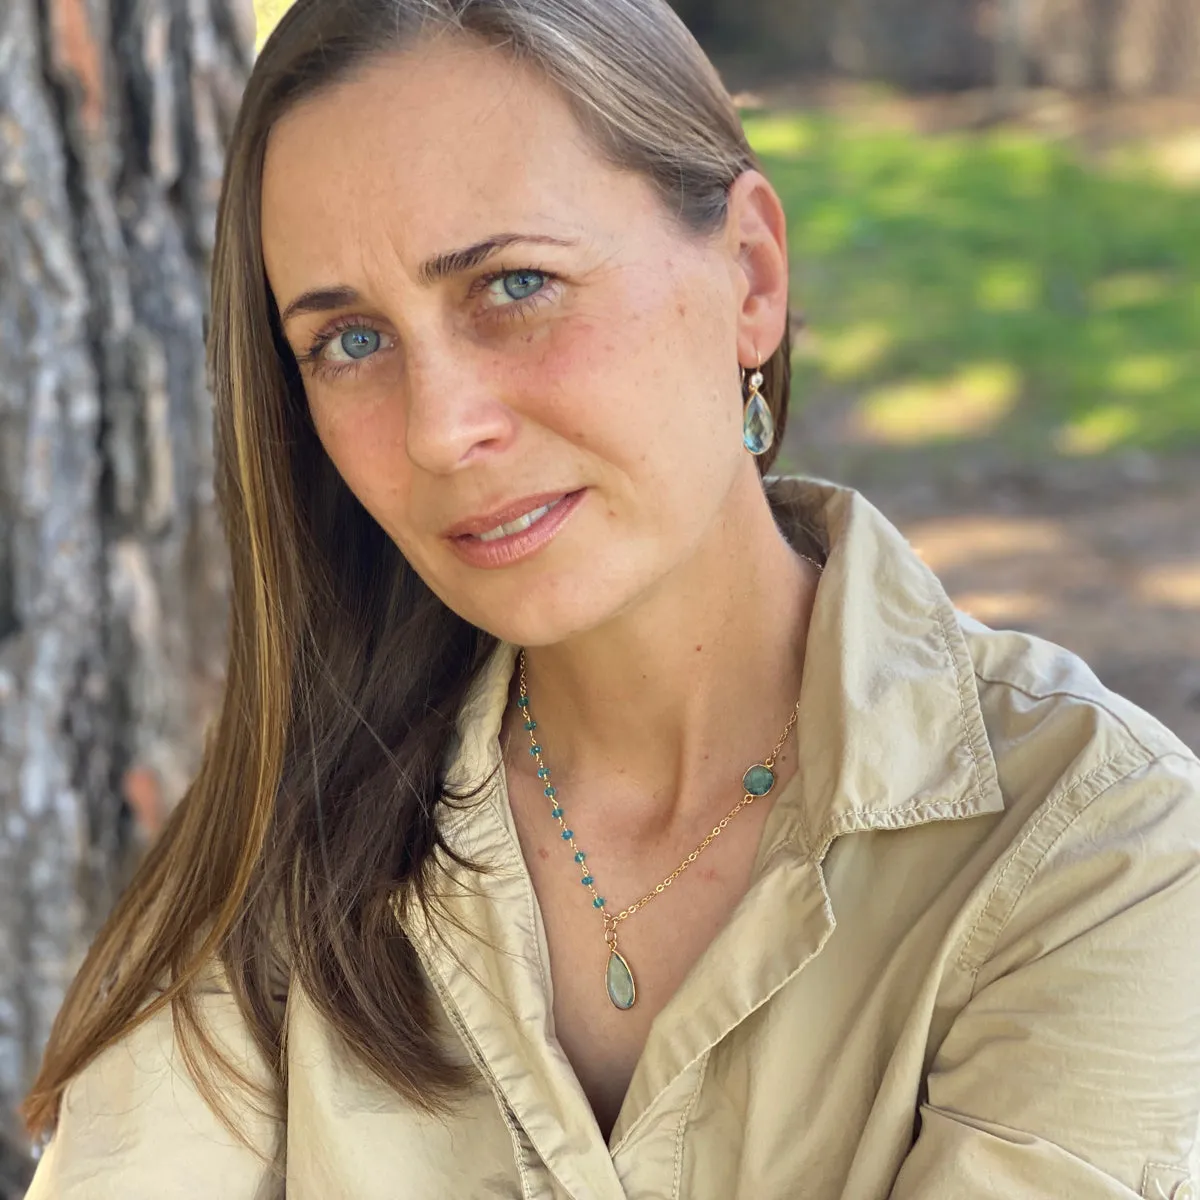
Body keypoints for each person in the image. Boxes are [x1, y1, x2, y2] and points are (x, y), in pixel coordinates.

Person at [21, 0, 1200, 1196]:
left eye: (515, 283)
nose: (441, 431)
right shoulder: (278, 859)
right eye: (351, 342)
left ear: (750, 274)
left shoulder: (1100, 854)